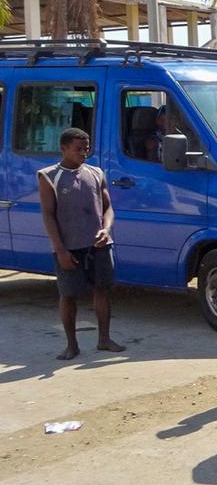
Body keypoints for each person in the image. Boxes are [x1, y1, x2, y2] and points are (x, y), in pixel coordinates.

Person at [37, 127, 125, 360]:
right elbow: (48, 214)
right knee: (68, 295)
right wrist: (60, 249)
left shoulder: (96, 173)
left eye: (86, 148)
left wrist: (106, 230)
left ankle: (104, 339)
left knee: (102, 290)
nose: (83, 153)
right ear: (64, 148)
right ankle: (72, 345)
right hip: (69, 247)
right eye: (78, 149)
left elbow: (107, 207)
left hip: (98, 245)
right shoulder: (49, 176)